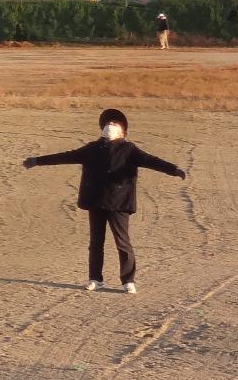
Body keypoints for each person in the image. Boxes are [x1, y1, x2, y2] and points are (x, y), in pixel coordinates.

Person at [23, 108, 186, 294]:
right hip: (96, 201)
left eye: (115, 124)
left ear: (123, 131)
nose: (110, 125)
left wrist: (174, 170)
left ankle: (128, 281)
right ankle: (95, 279)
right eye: (108, 123)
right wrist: (37, 160)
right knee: (96, 242)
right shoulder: (92, 148)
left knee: (122, 242)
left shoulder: (129, 150)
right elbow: (66, 156)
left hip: (119, 203)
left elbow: (153, 161)